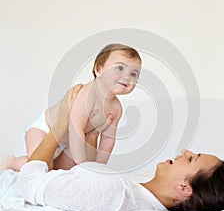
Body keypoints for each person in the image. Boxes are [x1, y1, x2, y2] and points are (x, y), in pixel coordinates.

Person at [0, 85, 224, 211]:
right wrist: (95, 134)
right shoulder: (133, 189)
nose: (184, 151)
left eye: (191, 159)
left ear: (184, 188)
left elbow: (29, 183)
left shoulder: (114, 192)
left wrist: (62, 123)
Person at [6, 43, 142, 171]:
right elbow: (76, 128)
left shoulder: (116, 108)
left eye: (133, 74)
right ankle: (11, 162)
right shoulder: (87, 94)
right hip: (45, 130)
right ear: (99, 69)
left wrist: (99, 168)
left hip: (69, 143)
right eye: (119, 68)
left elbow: (108, 139)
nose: (126, 76)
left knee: (59, 172)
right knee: (40, 168)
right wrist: (83, 166)